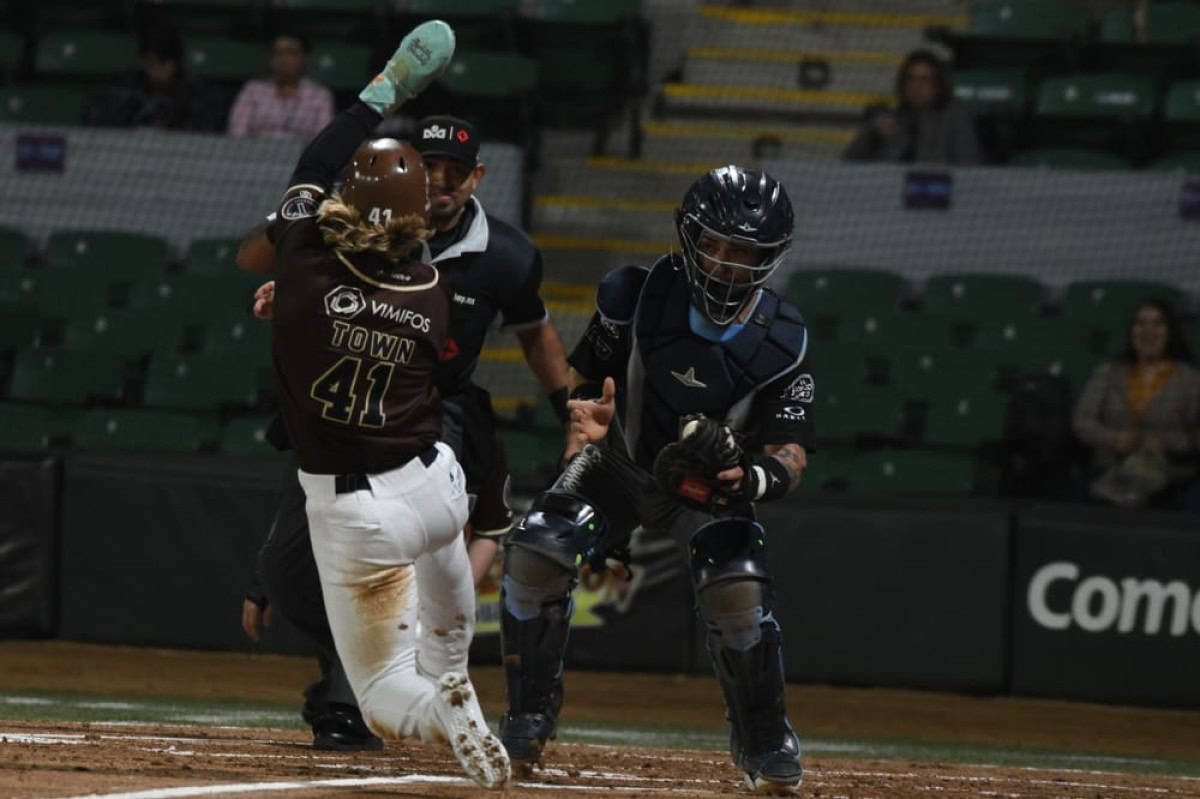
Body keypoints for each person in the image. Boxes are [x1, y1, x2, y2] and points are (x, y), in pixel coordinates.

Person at [238, 114, 570, 749]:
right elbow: (256, 258)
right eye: (428, 168)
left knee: (397, 546)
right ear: (410, 174)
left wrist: (567, 407)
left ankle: (362, 695)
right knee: (287, 571)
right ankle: (395, 670)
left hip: (433, 415)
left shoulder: (504, 256)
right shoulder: (361, 246)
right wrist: (298, 274)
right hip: (341, 417)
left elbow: (536, 334)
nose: (440, 181)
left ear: (477, 177)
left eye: (454, 172)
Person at [497, 165, 814, 795]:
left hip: (709, 486)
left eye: (742, 251)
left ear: (768, 258)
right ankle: (528, 716)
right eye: (714, 244)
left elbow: (791, 454)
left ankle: (764, 739)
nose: (724, 263)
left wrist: (747, 477)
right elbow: (586, 383)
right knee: (537, 547)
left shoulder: (785, 340)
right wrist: (584, 429)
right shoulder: (634, 294)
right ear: (689, 236)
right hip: (618, 463)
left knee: (737, 587)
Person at [259, 19, 508, 788]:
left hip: (357, 511)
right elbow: (383, 243)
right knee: (444, 592)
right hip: (434, 485)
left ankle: (443, 709)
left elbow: (314, 165)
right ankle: (454, 668)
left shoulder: (303, 260)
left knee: (380, 695)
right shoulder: (430, 288)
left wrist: (382, 94)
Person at [1073, 298, 1200, 508]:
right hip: (1109, 467)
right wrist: (1115, 439)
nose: (1148, 331)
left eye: (1158, 324)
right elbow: (1082, 421)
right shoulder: (1108, 372)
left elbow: (1195, 435)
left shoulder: (1191, 379)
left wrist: (1164, 442)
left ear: (1170, 332)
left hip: (1168, 472)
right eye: (1141, 323)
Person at [842, 49, 981, 165]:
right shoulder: (891, 119)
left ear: (938, 85)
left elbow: (969, 167)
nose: (916, 86)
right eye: (910, 78)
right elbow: (849, 163)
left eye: (924, 80)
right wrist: (873, 135)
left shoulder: (955, 118)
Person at [83, 26, 224, 131]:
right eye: (152, 62)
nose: (163, 68)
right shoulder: (125, 91)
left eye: (167, 62)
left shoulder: (199, 94)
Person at [227, 32, 334, 140]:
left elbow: (323, 139)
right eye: (278, 53)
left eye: (291, 53)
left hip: (303, 150)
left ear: (304, 58)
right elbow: (237, 134)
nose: (283, 59)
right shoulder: (253, 90)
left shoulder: (319, 95)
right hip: (256, 149)